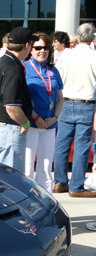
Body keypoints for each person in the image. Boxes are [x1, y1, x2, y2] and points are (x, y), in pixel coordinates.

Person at [52, 23, 96, 197]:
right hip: (86, 103)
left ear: (77, 37)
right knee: (82, 146)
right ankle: (76, 186)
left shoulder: (66, 55)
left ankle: (60, 182)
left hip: (66, 101)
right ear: (92, 38)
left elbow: (58, 78)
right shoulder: (94, 56)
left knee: (62, 144)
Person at [0, 26, 37, 172]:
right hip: (9, 130)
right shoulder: (12, 68)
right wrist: (26, 123)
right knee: (10, 181)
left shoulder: (1, 61)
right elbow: (11, 106)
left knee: (1, 178)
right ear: (27, 45)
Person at [23, 32, 64, 193]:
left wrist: (55, 117)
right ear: (30, 49)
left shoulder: (53, 71)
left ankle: (47, 201)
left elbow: (60, 98)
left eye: (46, 47)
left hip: (50, 124)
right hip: (31, 124)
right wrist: (37, 118)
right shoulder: (24, 69)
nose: (42, 51)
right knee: (27, 168)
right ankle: (27, 203)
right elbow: (21, 99)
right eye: (38, 47)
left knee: (46, 167)